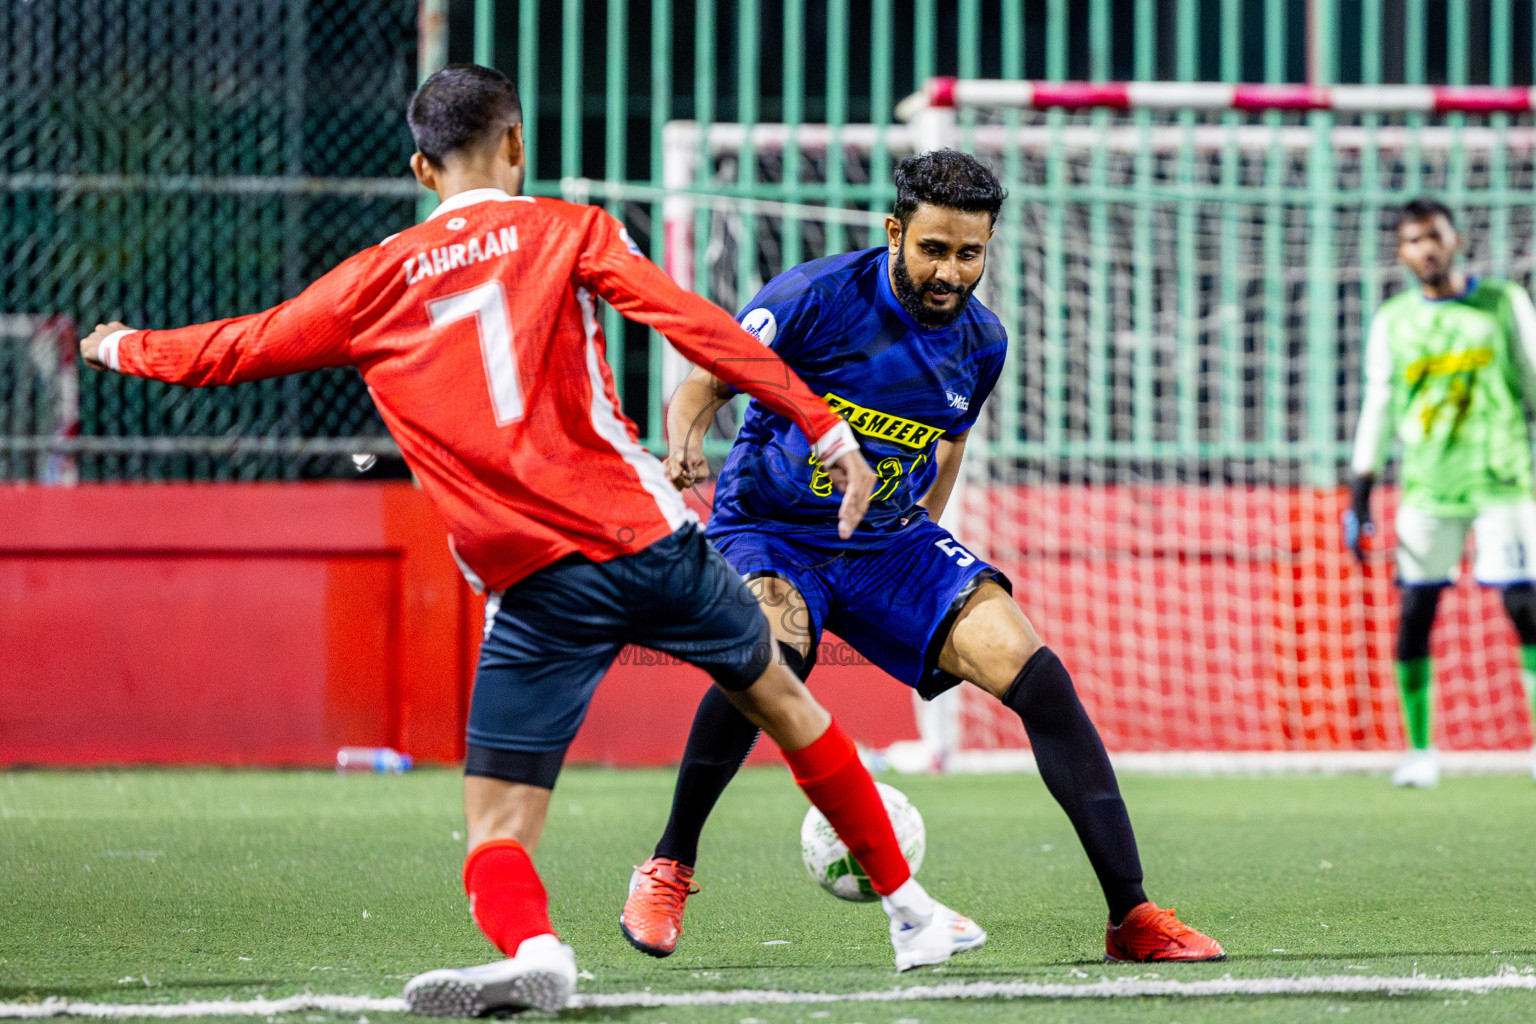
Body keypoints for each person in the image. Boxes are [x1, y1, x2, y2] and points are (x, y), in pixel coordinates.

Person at [78, 64, 981, 1015]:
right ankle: (914, 913)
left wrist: (119, 345)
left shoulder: (369, 282)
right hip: (647, 539)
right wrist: (825, 428)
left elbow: (234, 349)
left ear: (421, 168)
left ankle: (538, 947)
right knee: (787, 705)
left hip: (535, 579)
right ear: (516, 143)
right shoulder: (571, 229)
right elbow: (698, 327)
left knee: (496, 829)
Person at [620, 149, 1225, 964]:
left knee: (1042, 679)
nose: (950, 273)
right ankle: (667, 866)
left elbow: (950, 441)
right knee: (773, 656)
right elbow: (705, 382)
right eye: (934, 249)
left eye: (969, 254)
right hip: (771, 528)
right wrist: (685, 442)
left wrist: (923, 541)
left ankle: (1133, 916)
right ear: (894, 231)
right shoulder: (814, 298)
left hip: (889, 543)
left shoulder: (982, 341)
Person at [1345, 196, 1536, 789]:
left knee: (1526, 608)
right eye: (1412, 240)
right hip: (1429, 486)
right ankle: (1420, 752)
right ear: (1400, 253)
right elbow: (1379, 405)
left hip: (1503, 480)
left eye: (1433, 236)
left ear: (1456, 240)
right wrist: (1360, 490)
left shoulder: (1503, 301)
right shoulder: (1394, 321)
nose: (1425, 249)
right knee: (1415, 612)